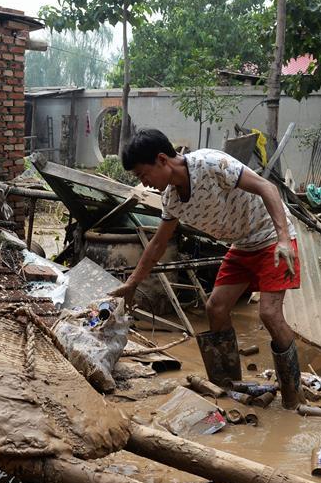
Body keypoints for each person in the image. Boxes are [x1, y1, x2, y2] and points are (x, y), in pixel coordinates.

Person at [109, 128, 303, 408]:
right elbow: (157, 244)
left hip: (272, 237)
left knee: (269, 314)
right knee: (215, 308)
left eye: (143, 175)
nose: (145, 183)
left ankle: (293, 399)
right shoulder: (171, 200)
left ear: (162, 159)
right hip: (242, 245)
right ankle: (230, 389)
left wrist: (284, 239)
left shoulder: (210, 164)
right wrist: (132, 283)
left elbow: (267, 187)